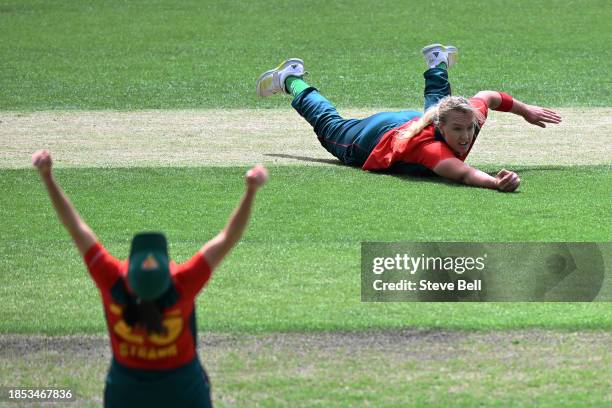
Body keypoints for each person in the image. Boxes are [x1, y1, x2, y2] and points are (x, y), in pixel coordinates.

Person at [31, 149, 268, 407]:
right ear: (167, 272)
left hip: (125, 392)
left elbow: (75, 227)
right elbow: (227, 238)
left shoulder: (113, 280)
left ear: (130, 270)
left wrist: (47, 177)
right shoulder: (181, 283)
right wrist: (251, 190)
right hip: (183, 391)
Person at [256, 44, 562, 192]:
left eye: (469, 127)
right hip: (373, 138)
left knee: (440, 103)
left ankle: (437, 60)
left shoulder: (466, 118)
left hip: (414, 120)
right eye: (458, 129)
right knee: (329, 126)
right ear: (442, 127)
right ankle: (290, 78)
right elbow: (465, 174)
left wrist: (526, 111)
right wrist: (496, 183)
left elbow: (489, 96)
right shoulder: (433, 149)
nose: (466, 135)